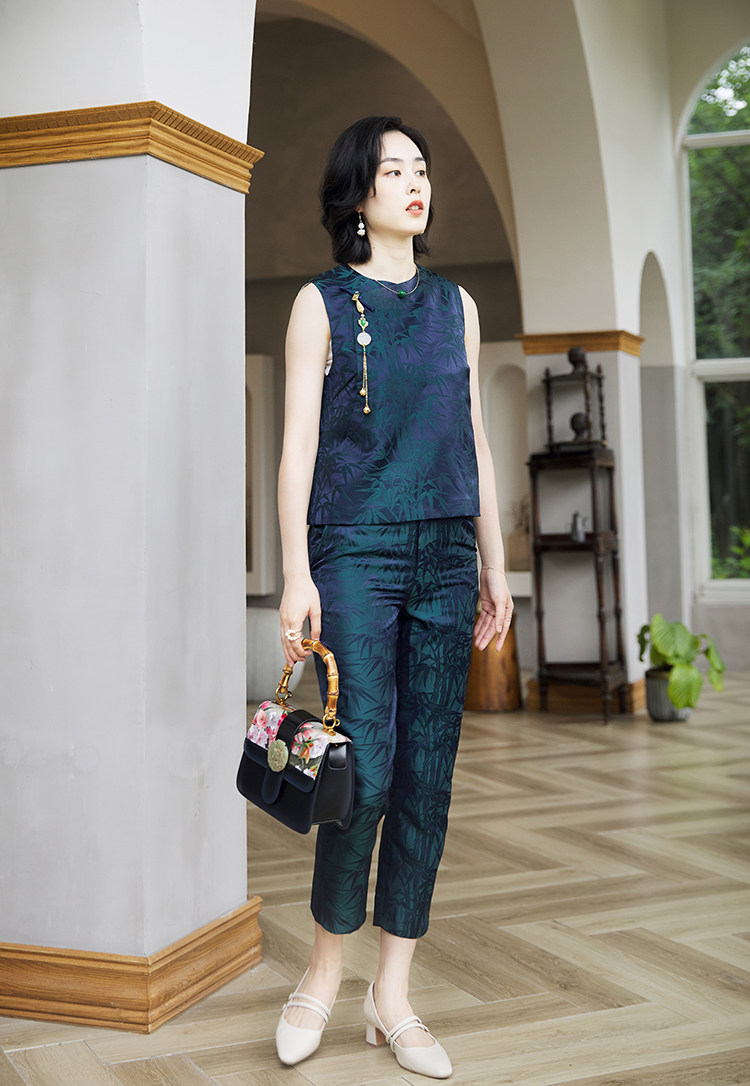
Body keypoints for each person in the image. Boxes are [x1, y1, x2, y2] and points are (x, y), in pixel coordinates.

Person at [275, 115, 513, 1079]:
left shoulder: (457, 306)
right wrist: (295, 571)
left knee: (427, 777)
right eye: (394, 170)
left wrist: (495, 564)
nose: (416, 183)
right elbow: (297, 447)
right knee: (363, 772)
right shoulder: (321, 304)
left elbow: (474, 439)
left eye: (422, 169)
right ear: (358, 194)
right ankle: (322, 972)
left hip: (448, 554)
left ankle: (393, 995)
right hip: (354, 552)